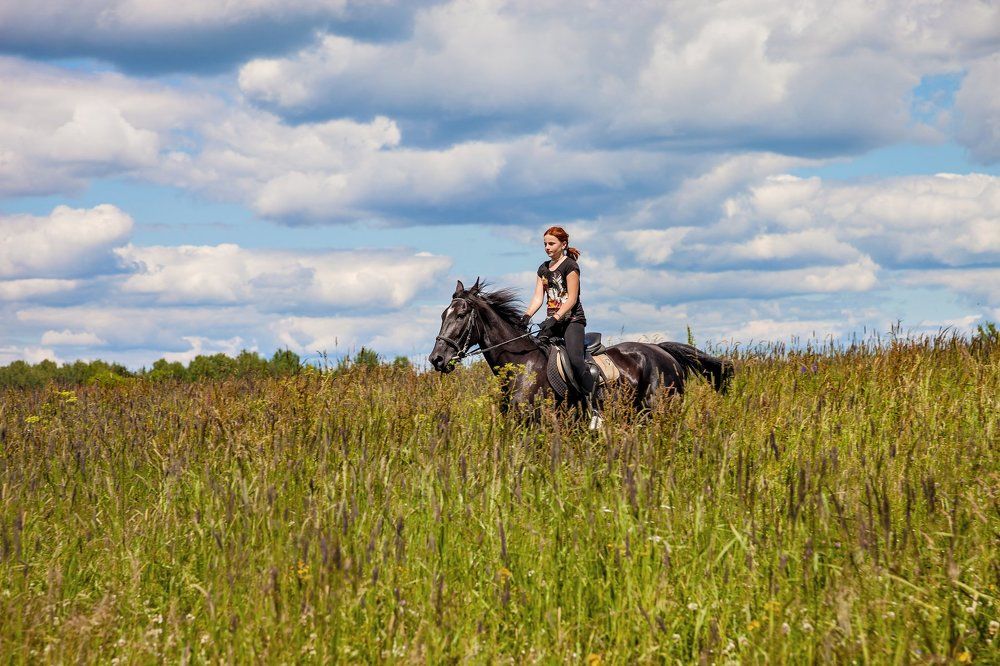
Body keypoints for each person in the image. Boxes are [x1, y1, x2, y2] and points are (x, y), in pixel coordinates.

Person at [521, 226, 597, 410]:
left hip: (572, 321)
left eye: (551, 244)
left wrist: (555, 317)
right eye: (545, 244)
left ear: (563, 245)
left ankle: (595, 406)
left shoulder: (570, 266)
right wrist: (526, 315)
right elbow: (538, 298)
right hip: (552, 322)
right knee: (535, 354)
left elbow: (572, 299)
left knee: (575, 360)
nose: (547, 247)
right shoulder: (543, 269)